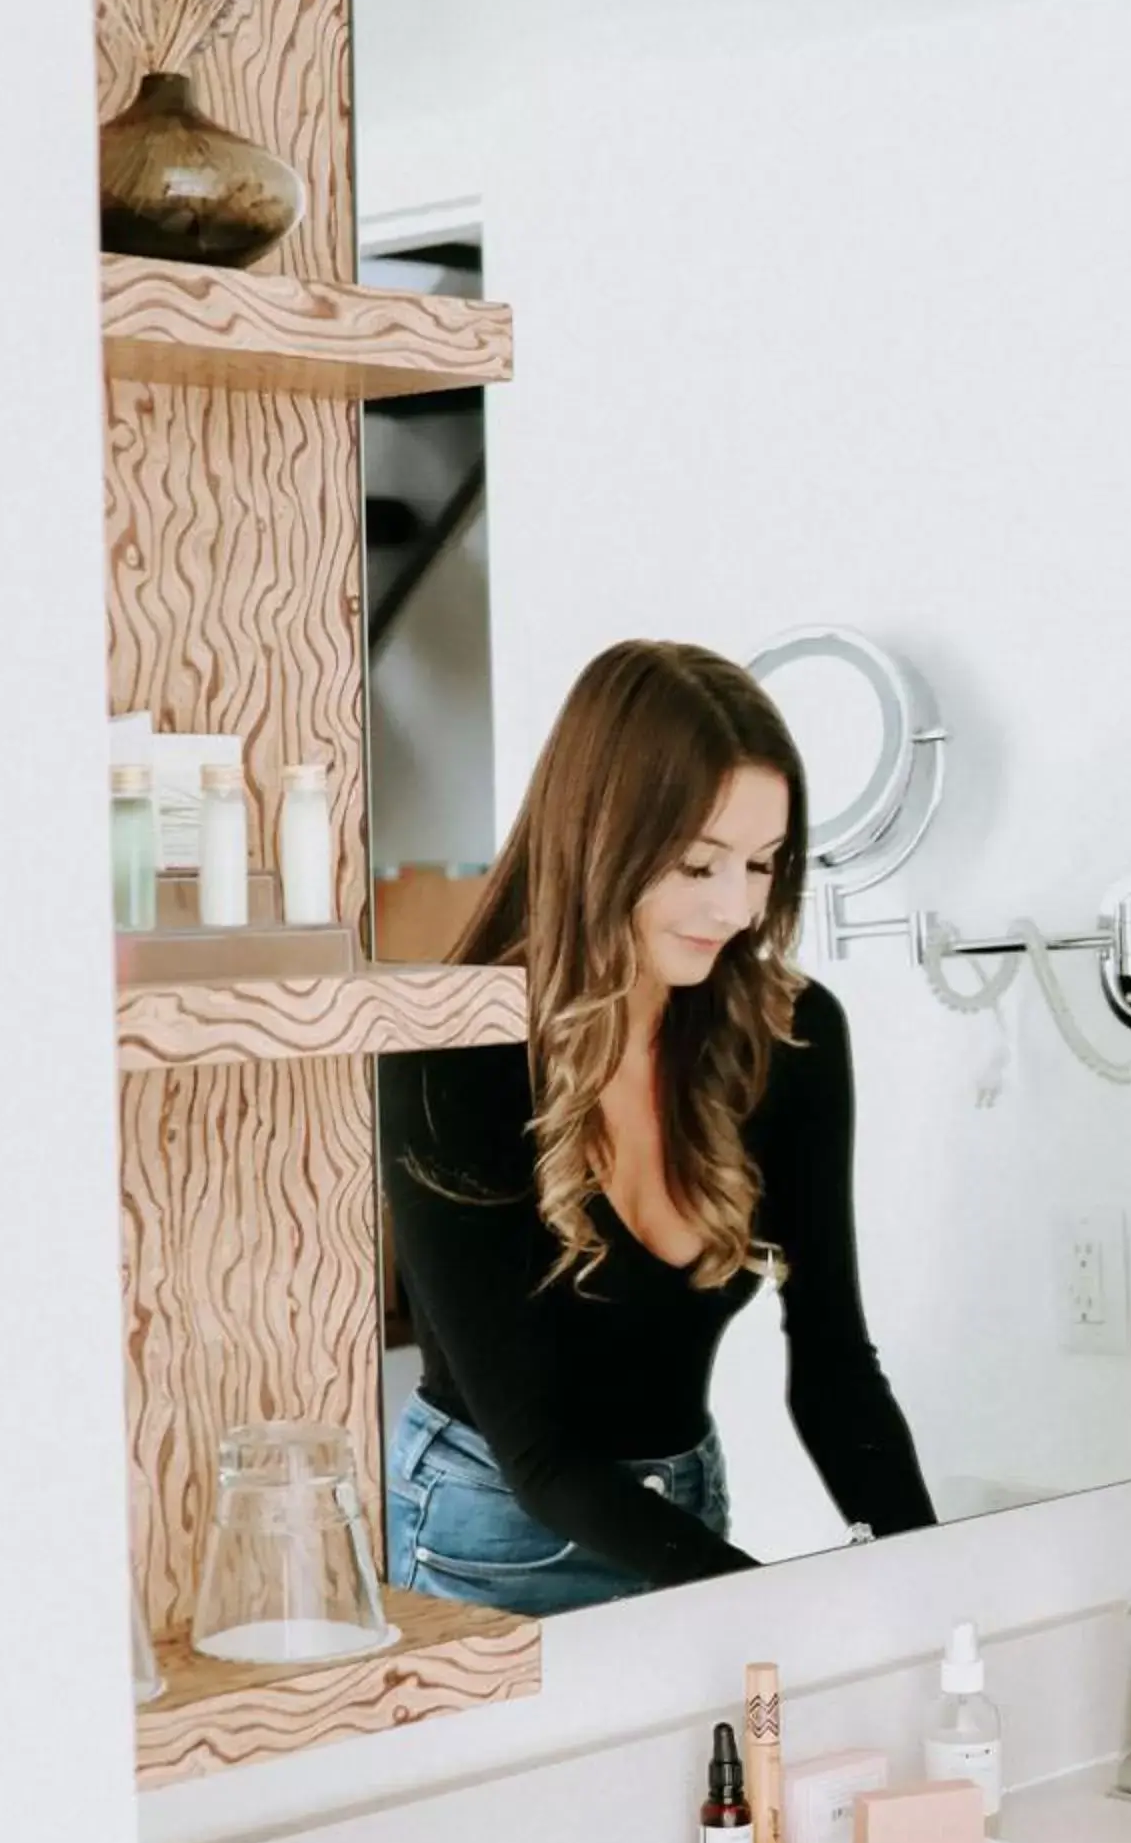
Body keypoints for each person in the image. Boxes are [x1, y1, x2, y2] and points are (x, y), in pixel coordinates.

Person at [379, 639, 935, 1614]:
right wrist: (765, 1611)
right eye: (696, 864)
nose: (736, 907)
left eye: (762, 864)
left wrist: (932, 1588)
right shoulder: (450, 1060)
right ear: (600, 840)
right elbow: (541, 1456)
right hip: (486, 1527)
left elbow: (835, 1365)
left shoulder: (790, 1036)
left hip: (682, 1508)